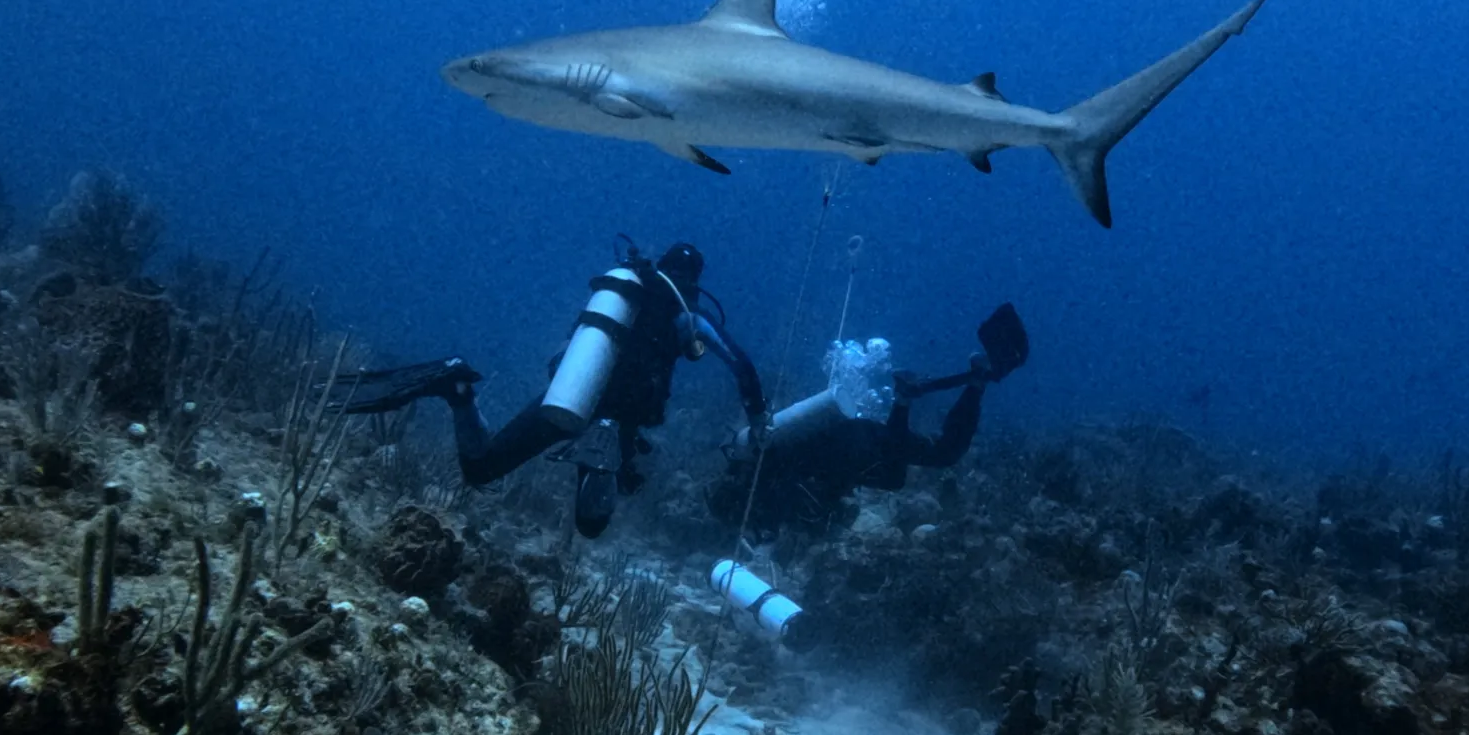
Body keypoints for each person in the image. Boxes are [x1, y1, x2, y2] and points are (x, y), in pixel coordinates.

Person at [344, 238, 767, 537]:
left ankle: (457, 386)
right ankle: (602, 453)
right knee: (591, 524)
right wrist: (758, 420)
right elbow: (741, 365)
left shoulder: (625, 292)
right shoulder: (687, 317)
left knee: (482, 468)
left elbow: (570, 347)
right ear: (694, 281)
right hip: (623, 417)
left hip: (575, 392)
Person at [711, 303, 1027, 537]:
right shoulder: (758, 466)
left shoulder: (768, 488)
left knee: (942, 453)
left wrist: (825, 514)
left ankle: (971, 377)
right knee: (902, 469)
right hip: (854, 441)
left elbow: (816, 504)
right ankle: (946, 385)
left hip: (857, 448)